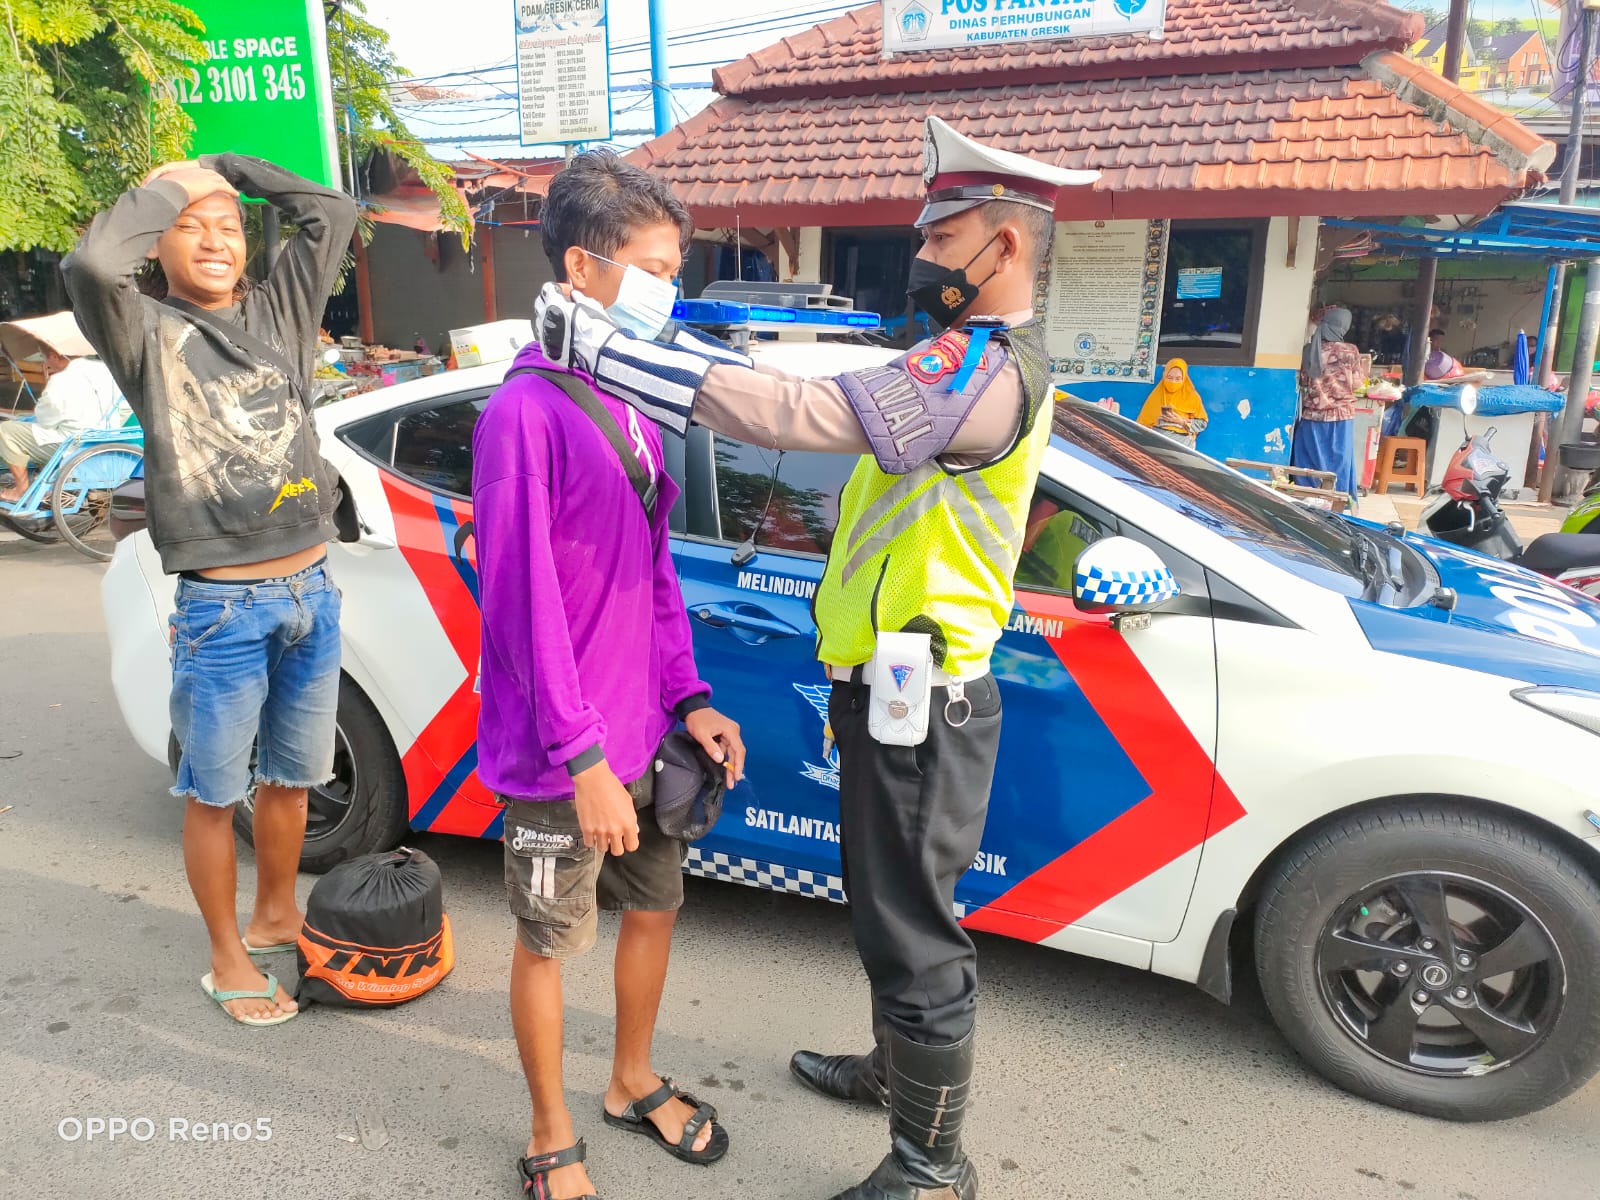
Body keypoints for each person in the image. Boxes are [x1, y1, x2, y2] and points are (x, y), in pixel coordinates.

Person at [535, 115, 1097, 1200]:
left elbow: (798, 413)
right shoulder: (954, 359)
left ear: (1004, 247)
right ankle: (899, 1075)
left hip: (926, 699)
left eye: (943, 239)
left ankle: (932, 1167)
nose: (923, 258)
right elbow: (793, 382)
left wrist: (608, 351)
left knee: (915, 931)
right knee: (884, 903)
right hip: (891, 692)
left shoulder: (984, 372)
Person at [474, 150, 746, 1200]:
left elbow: (653, 570)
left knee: (655, 907)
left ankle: (630, 1080)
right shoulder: (522, 417)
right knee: (549, 941)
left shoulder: (629, 402)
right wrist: (581, 758)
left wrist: (690, 698)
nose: (670, 288)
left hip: (647, 735)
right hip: (561, 758)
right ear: (584, 271)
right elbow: (521, 610)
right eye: (656, 266)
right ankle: (549, 1131)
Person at [62, 155, 357, 1027]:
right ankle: (227, 957)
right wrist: (169, 187)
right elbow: (89, 265)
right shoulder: (141, 329)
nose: (216, 239)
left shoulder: (282, 310)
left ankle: (276, 915)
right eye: (192, 227)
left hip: (312, 588)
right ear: (160, 245)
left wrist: (223, 170)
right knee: (215, 793)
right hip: (221, 610)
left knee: (295, 782)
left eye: (228, 224)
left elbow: (330, 212)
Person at [0, 349, 124, 501]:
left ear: (54, 356)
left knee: (6, 430)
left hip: (74, 444)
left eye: (45, 359)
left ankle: (21, 490)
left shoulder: (61, 381)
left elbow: (46, 421)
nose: (45, 365)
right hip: (105, 438)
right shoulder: (106, 371)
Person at [1292, 306, 1362, 496]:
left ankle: (1310, 497)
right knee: (1339, 461)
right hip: (1343, 417)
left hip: (1314, 417)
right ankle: (1337, 499)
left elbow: (1304, 381)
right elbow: (1357, 383)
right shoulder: (1351, 351)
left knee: (1308, 461)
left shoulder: (1309, 350)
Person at [1136, 358, 1207, 448]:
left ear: (1184, 378)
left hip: (1182, 445)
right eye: (1169, 378)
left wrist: (1181, 422)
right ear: (1164, 376)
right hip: (1156, 442)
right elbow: (1142, 424)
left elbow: (1202, 423)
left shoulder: (1192, 397)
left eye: (1178, 379)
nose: (1173, 382)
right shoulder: (1156, 396)